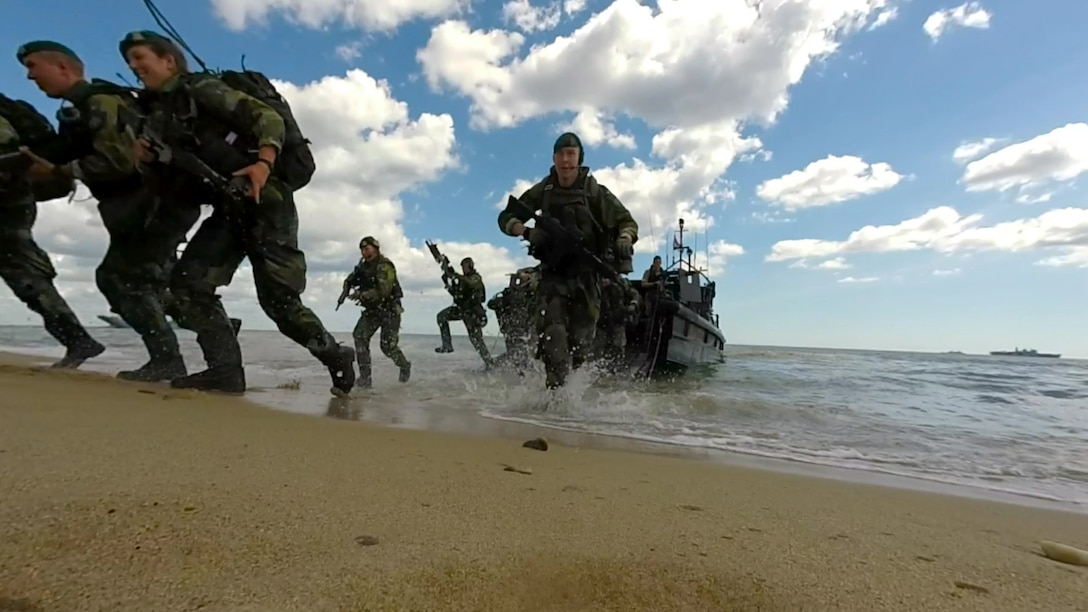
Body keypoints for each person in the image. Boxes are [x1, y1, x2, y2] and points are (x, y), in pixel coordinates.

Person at [120, 30, 355, 395]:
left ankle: (336, 355)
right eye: (129, 61)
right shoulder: (158, 120)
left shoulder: (200, 90)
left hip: (265, 199)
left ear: (168, 60)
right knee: (186, 288)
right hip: (228, 207)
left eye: (139, 57)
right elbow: (176, 189)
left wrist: (263, 162)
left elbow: (266, 118)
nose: (134, 67)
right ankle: (225, 372)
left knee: (280, 304)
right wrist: (149, 163)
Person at [16, 39, 195, 382]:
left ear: (63, 68)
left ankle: (171, 359)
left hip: (146, 203)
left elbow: (118, 160)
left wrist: (58, 171)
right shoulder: (83, 107)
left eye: (33, 67)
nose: (29, 77)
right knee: (155, 284)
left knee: (118, 278)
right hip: (138, 205)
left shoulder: (98, 101)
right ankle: (212, 345)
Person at [496, 131, 638, 388]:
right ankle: (554, 399)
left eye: (571, 154)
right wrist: (527, 232)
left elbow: (626, 222)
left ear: (579, 158)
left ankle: (570, 403)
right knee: (553, 337)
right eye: (561, 154)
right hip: (553, 274)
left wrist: (625, 239)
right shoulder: (544, 190)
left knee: (580, 345)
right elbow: (505, 218)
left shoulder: (595, 192)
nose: (565, 160)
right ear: (553, 157)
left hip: (587, 276)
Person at [0, 97, 104, 368]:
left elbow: (15, 155)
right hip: (14, 200)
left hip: (8, 202)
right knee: (23, 274)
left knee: (25, 274)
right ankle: (77, 340)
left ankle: (78, 340)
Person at [342, 236, 411, 388]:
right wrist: (345, 289)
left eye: (367, 248)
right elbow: (350, 279)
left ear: (375, 249)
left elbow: (384, 291)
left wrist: (361, 295)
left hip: (390, 311)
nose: (364, 252)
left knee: (387, 347)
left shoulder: (385, 266)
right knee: (359, 336)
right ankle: (365, 378)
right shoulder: (363, 267)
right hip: (373, 311)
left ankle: (404, 366)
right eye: (362, 249)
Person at [434, 256, 494, 367]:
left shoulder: (476, 277)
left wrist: (456, 275)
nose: (463, 269)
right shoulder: (463, 280)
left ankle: (489, 363)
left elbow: (471, 284)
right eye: (462, 267)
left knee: (476, 340)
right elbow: (457, 295)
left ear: (470, 266)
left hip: (473, 313)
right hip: (462, 310)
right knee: (441, 317)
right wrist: (447, 283)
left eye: (465, 267)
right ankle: (447, 345)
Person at [487, 265, 538, 369]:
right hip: (513, 332)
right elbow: (492, 304)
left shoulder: (534, 296)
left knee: (522, 358)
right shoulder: (510, 296)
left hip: (525, 333)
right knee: (516, 357)